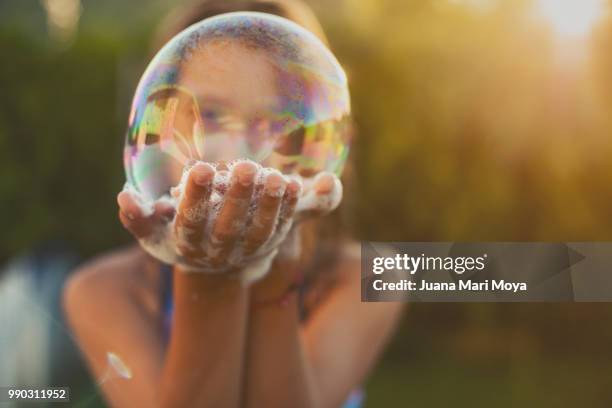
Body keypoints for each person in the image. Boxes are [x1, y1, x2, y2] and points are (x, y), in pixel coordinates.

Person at [63, 1, 405, 407]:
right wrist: (206, 265)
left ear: (305, 143)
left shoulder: (369, 280)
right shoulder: (103, 293)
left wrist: (268, 259)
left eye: (275, 123)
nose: (236, 149)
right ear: (158, 126)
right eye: (207, 114)